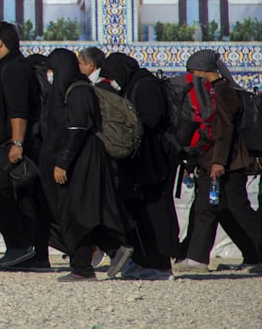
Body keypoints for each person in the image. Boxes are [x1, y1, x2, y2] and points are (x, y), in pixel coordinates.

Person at [45, 48, 133, 281]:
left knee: (77, 212)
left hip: (83, 159)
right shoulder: (75, 89)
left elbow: (78, 128)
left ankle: (85, 266)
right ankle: (107, 253)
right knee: (80, 213)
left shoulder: (79, 91)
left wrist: (63, 162)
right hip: (80, 157)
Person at [173, 49, 262, 275]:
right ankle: (203, 257)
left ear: (204, 71)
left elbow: (224, 131)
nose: (191, 77)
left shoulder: (224, 92)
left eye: (193, 72)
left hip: (229, 164)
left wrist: (219, 162)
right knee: (217, 209)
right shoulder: (211, 92)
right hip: (214, 163)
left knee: (237, 210)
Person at [99, 52, 180, 281]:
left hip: (153, 159)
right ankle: (146, 261)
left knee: (155, 213)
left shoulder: (145, 86)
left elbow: (150, 119)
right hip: (141, 159)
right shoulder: (134, 85)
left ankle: (161, 264)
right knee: (140, 212)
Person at [0, 21, 44, 270]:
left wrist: (16, 142)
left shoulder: (15, 69)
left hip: (12, 145)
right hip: (2, 145)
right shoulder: (5, 68)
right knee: (18, 197)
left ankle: (19, 246)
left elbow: (18, 111)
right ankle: (28, 252)